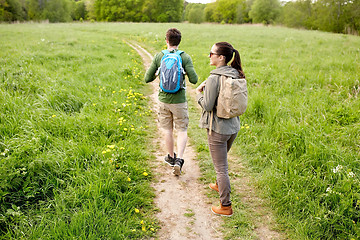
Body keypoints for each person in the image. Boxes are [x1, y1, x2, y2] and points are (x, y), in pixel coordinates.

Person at [195, 42, 245, 216]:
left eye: (211, 53)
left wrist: (198, 94)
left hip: (218, 129)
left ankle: (226, 206)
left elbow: (207, 106)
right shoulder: (236, 73)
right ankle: (218, 185)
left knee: (221, 168)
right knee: (222, 163)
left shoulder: (214, 78)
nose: (209, 56)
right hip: (233, 127)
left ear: (221, 57)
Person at [145, 28, 198, 176]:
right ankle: (179, 159)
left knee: (167, 129)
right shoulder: (185, 57)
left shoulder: (159, 56)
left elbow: (146, 79)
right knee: (181, 130)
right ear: (179, 42)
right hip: (179, 101)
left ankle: (171, 157)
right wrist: (185, 72)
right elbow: (194, 80)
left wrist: (158, 74)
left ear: (166, 40)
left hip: (163, 100)